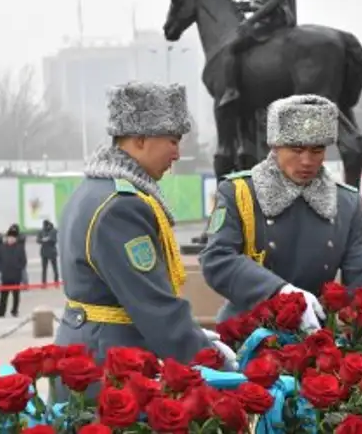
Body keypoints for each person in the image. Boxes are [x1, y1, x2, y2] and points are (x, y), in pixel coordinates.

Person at [54, 81, 236, 395]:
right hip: (107, 364)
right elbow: (153, 304)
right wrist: (209, 359)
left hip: (86, 352)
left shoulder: (93, 190)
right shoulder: (122, 207)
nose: (178, 154)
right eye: (173, 141)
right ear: (140, 139)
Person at [199, 94, 362, 332]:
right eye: (296, 149)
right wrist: (279, 291)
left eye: (317, 151)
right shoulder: (239, 192)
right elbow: (217, 259)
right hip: (247, 333)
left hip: (314, 335)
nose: (307, 161)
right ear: (275, 146)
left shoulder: (347, 202)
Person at [219, 0, 295, 108]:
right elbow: (268, 1)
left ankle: (231, 90)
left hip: (273, 19)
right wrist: (247, 6)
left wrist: (250, 20)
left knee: (230, 47)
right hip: (275, 16)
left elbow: (274, 1)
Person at [0, 226, 26, 318]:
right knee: (3, 296)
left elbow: (23, 261)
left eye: (13, 238)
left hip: (16, 275)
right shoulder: (2, 247)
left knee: (16, 295)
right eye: (10, 237)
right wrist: (2, 269)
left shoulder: (20, 248)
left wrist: (18, 268)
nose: (11, 239)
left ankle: (14, 311)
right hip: (5, 275)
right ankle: (1, 312)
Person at [37, 220, 59, 284]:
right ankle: (44, 283)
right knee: (44, 269)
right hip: (44, 252)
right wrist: (43, 240)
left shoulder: (53, 231)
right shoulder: (41, 231)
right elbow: (38, 240)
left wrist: (47, 239)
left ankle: (56, 281)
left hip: (52, 252)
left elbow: (54, 240)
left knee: (55, 268)